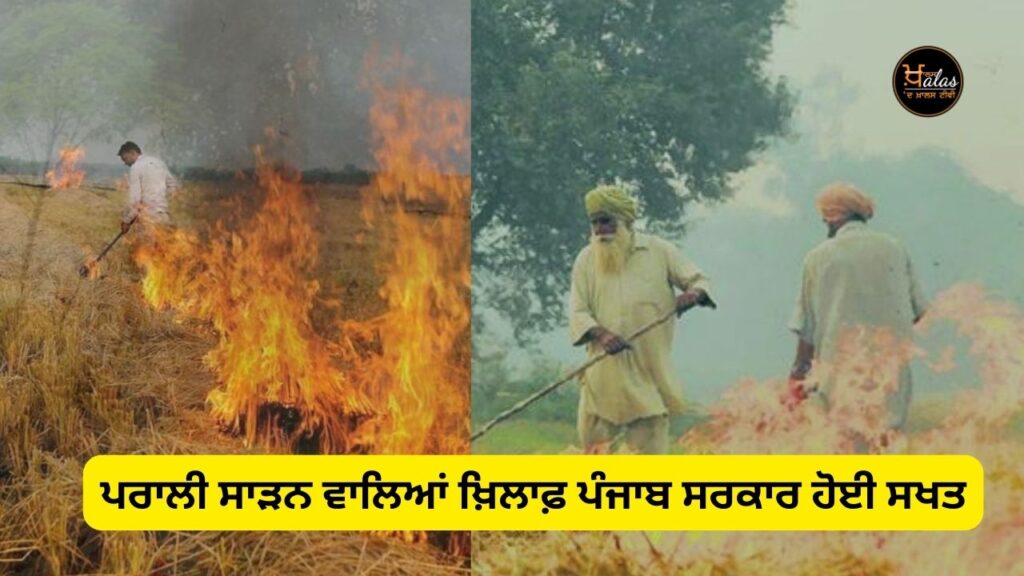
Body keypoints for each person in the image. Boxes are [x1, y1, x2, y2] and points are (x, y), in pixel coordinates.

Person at [568, 185, 714, 454]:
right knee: (594, 458)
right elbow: (578, 311)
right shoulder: (586, 260)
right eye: (595, 223)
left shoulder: (659, 251)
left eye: (607, 221)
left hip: (648, 375)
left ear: (626, 221)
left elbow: (700, 280)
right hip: (603, 380)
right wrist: (603, 335)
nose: (600, 229)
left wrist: (693, 294)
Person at [788, 182, 928, 433]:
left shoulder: (818, 257)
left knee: (844, 444)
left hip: (838, 372)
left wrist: (797, 376)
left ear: (831, 217)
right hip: (891, 372)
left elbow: (807, 330)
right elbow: (918, 311)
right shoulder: (895, 248)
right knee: (885, 443)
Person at [117, 141, 179, 235]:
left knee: (143, 249)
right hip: (164, 216)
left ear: (133, 152)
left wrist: (127, 221)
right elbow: (173, 185)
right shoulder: (159, 163)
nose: (125, 163)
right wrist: (160, 200)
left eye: (125, 159)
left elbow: (135, 201)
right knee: (162, 249)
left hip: (148, 220)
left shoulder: (136, 168)